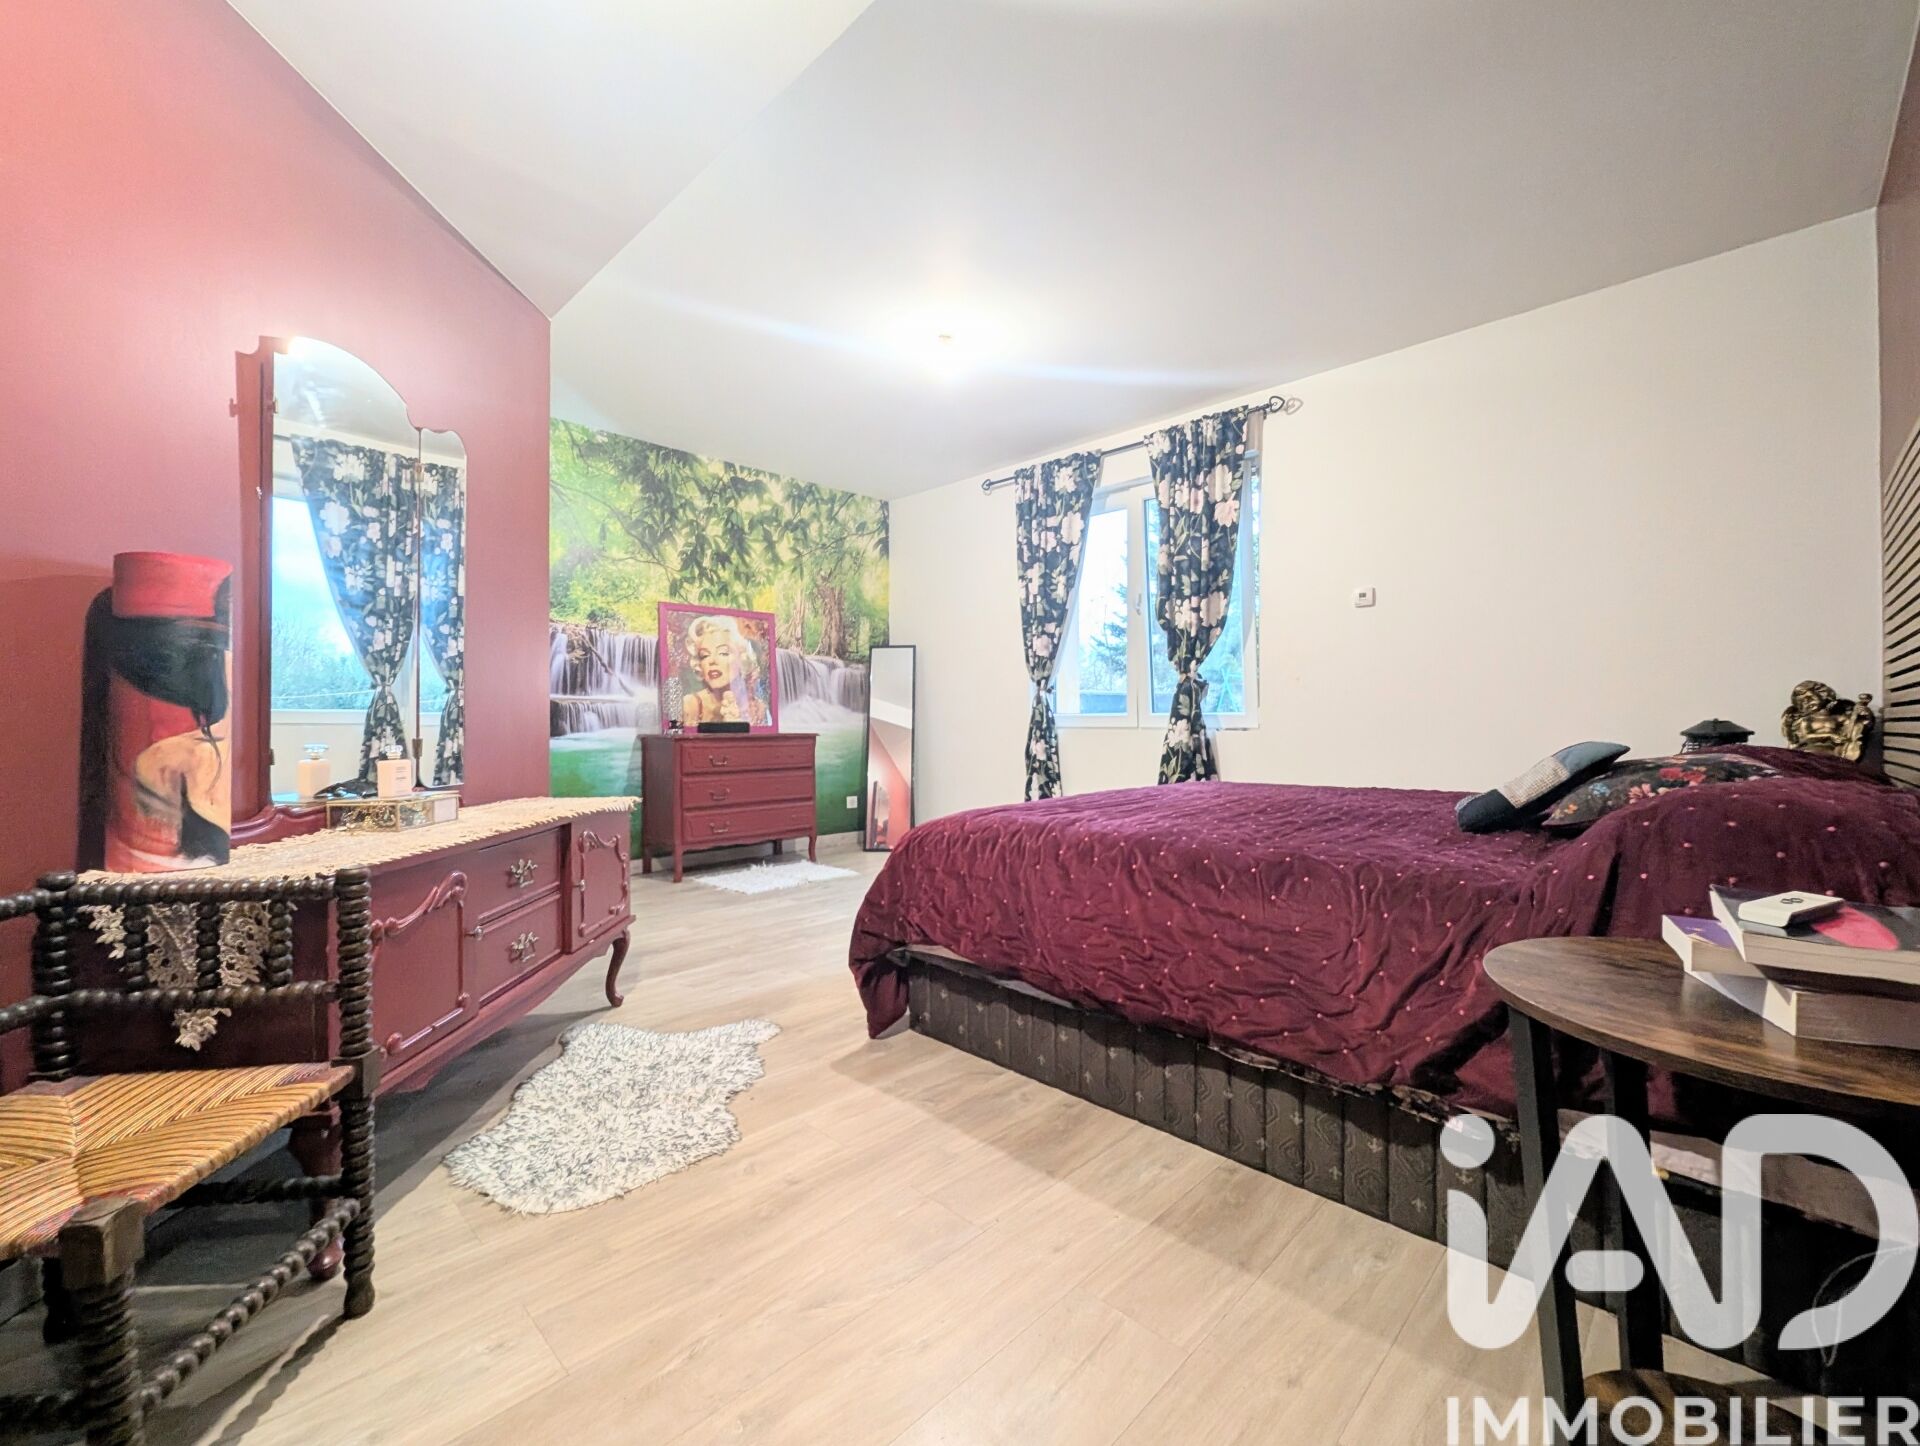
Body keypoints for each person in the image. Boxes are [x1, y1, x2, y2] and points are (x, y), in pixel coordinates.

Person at [679, 614, 770, 727]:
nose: (712, 661)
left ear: (741, 658)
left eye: (723, 653)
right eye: (704, 655)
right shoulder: (690, 705)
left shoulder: (758, 708)